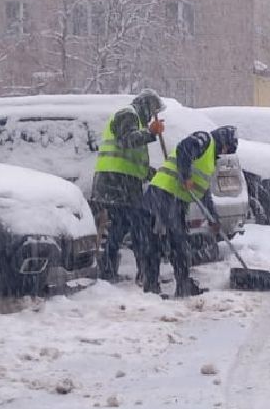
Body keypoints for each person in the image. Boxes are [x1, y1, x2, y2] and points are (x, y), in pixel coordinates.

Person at [139, 124, 238, 298]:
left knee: (171, 243)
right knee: (172, 242)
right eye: (225, 148)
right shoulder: (204, 139)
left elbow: (204, 193)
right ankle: (161, 286)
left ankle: (172, 285)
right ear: (223, 141)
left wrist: (214, 219)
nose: (223, 153)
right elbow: (183, 148)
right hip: (163, 194)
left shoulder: (209, 162)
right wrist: (186, 176)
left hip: (174, 200)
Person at [90, 90, 164, 282]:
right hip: (116, 183)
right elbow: (128, 141)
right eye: (153, 110)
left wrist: (152, 174)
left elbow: (132, 160)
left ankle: (108, 268)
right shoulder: (128, 114)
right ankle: (145, 273)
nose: (152, 116)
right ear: (146, 106)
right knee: (139, 226)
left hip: (120, 182)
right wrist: (151, 132)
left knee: (121, 227)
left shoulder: (135, 119)